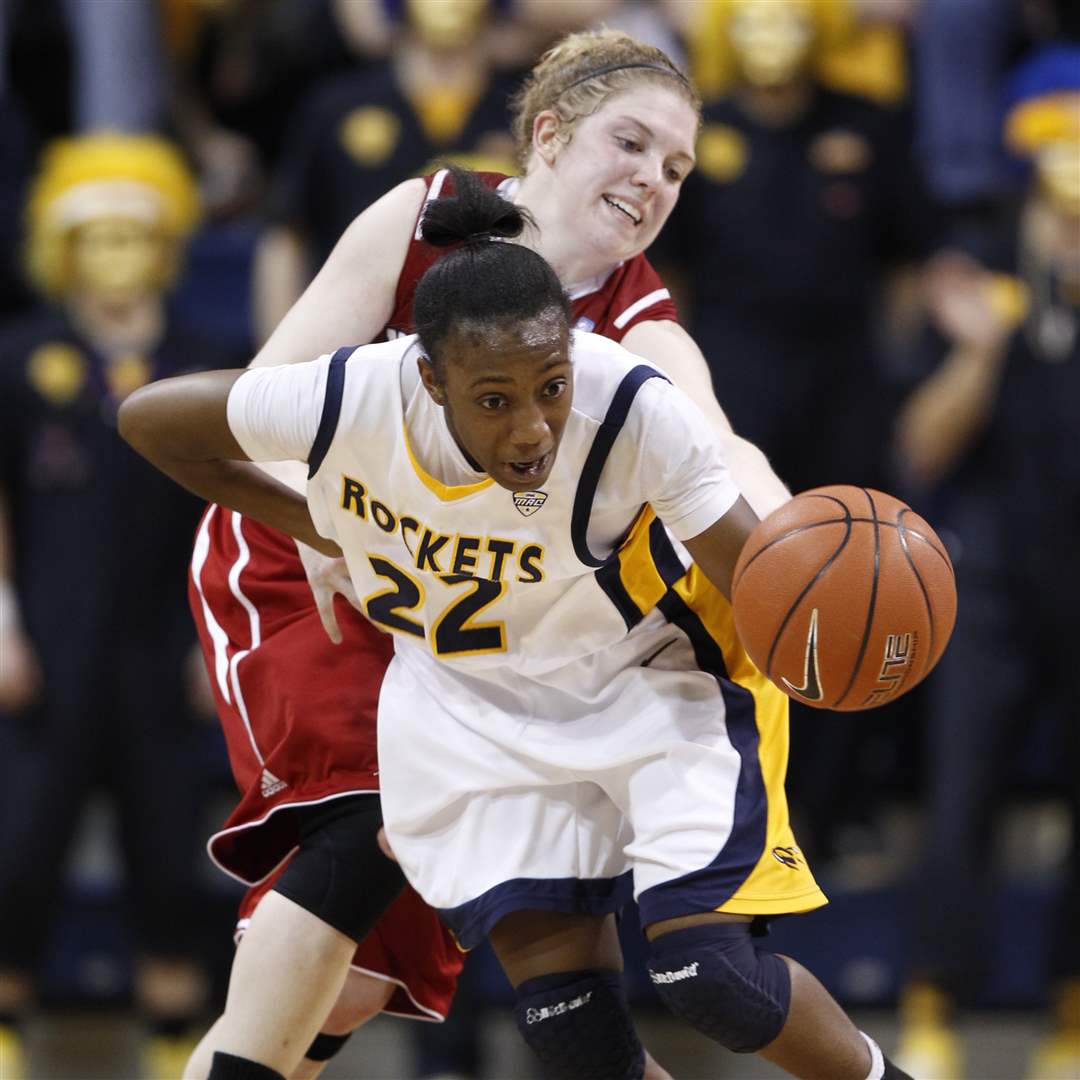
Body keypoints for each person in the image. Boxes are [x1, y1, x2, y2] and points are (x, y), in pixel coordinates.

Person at [120, 165, 913, 1080]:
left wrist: (831, 646)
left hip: (640, 689)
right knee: (571, 1027)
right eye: (495, 400)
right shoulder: (355, 396)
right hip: (475, 713)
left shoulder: (633, 406)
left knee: (711, 979)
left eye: (551, 385)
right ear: (429, 380)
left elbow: (752, 580)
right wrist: (317, 519)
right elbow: (150, 420)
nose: (534, 426)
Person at [182, 29, 793, 1080]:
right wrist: (325, 522)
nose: (654, 178)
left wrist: (798, 553)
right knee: (361, 820)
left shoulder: (638, 322)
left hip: (449, 617)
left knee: (362, 973)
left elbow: (722, 447)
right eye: (632, 142)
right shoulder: (425, 218)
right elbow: (257, 400)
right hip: (297, 554)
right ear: (549, 136)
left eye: (678, 167)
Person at [0, 132, 223, 1080]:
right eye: (96, 239)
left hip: (165, 647)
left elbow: (239, 513)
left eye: (136, 237)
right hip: (47, 645)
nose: (116, 259)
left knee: (171, 859)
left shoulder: (204, 360)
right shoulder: (20, 357)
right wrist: (2, 623)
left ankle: (174, 1048)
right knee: (19, 852)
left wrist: (219, 640)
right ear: (62, 252)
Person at [891, 44, 1080, 1080]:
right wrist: (983, 347)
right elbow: (919, 444)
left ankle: (1070, 1015)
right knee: (961, 792)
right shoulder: (975, 258)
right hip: (993, 570)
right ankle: (931, 1006)